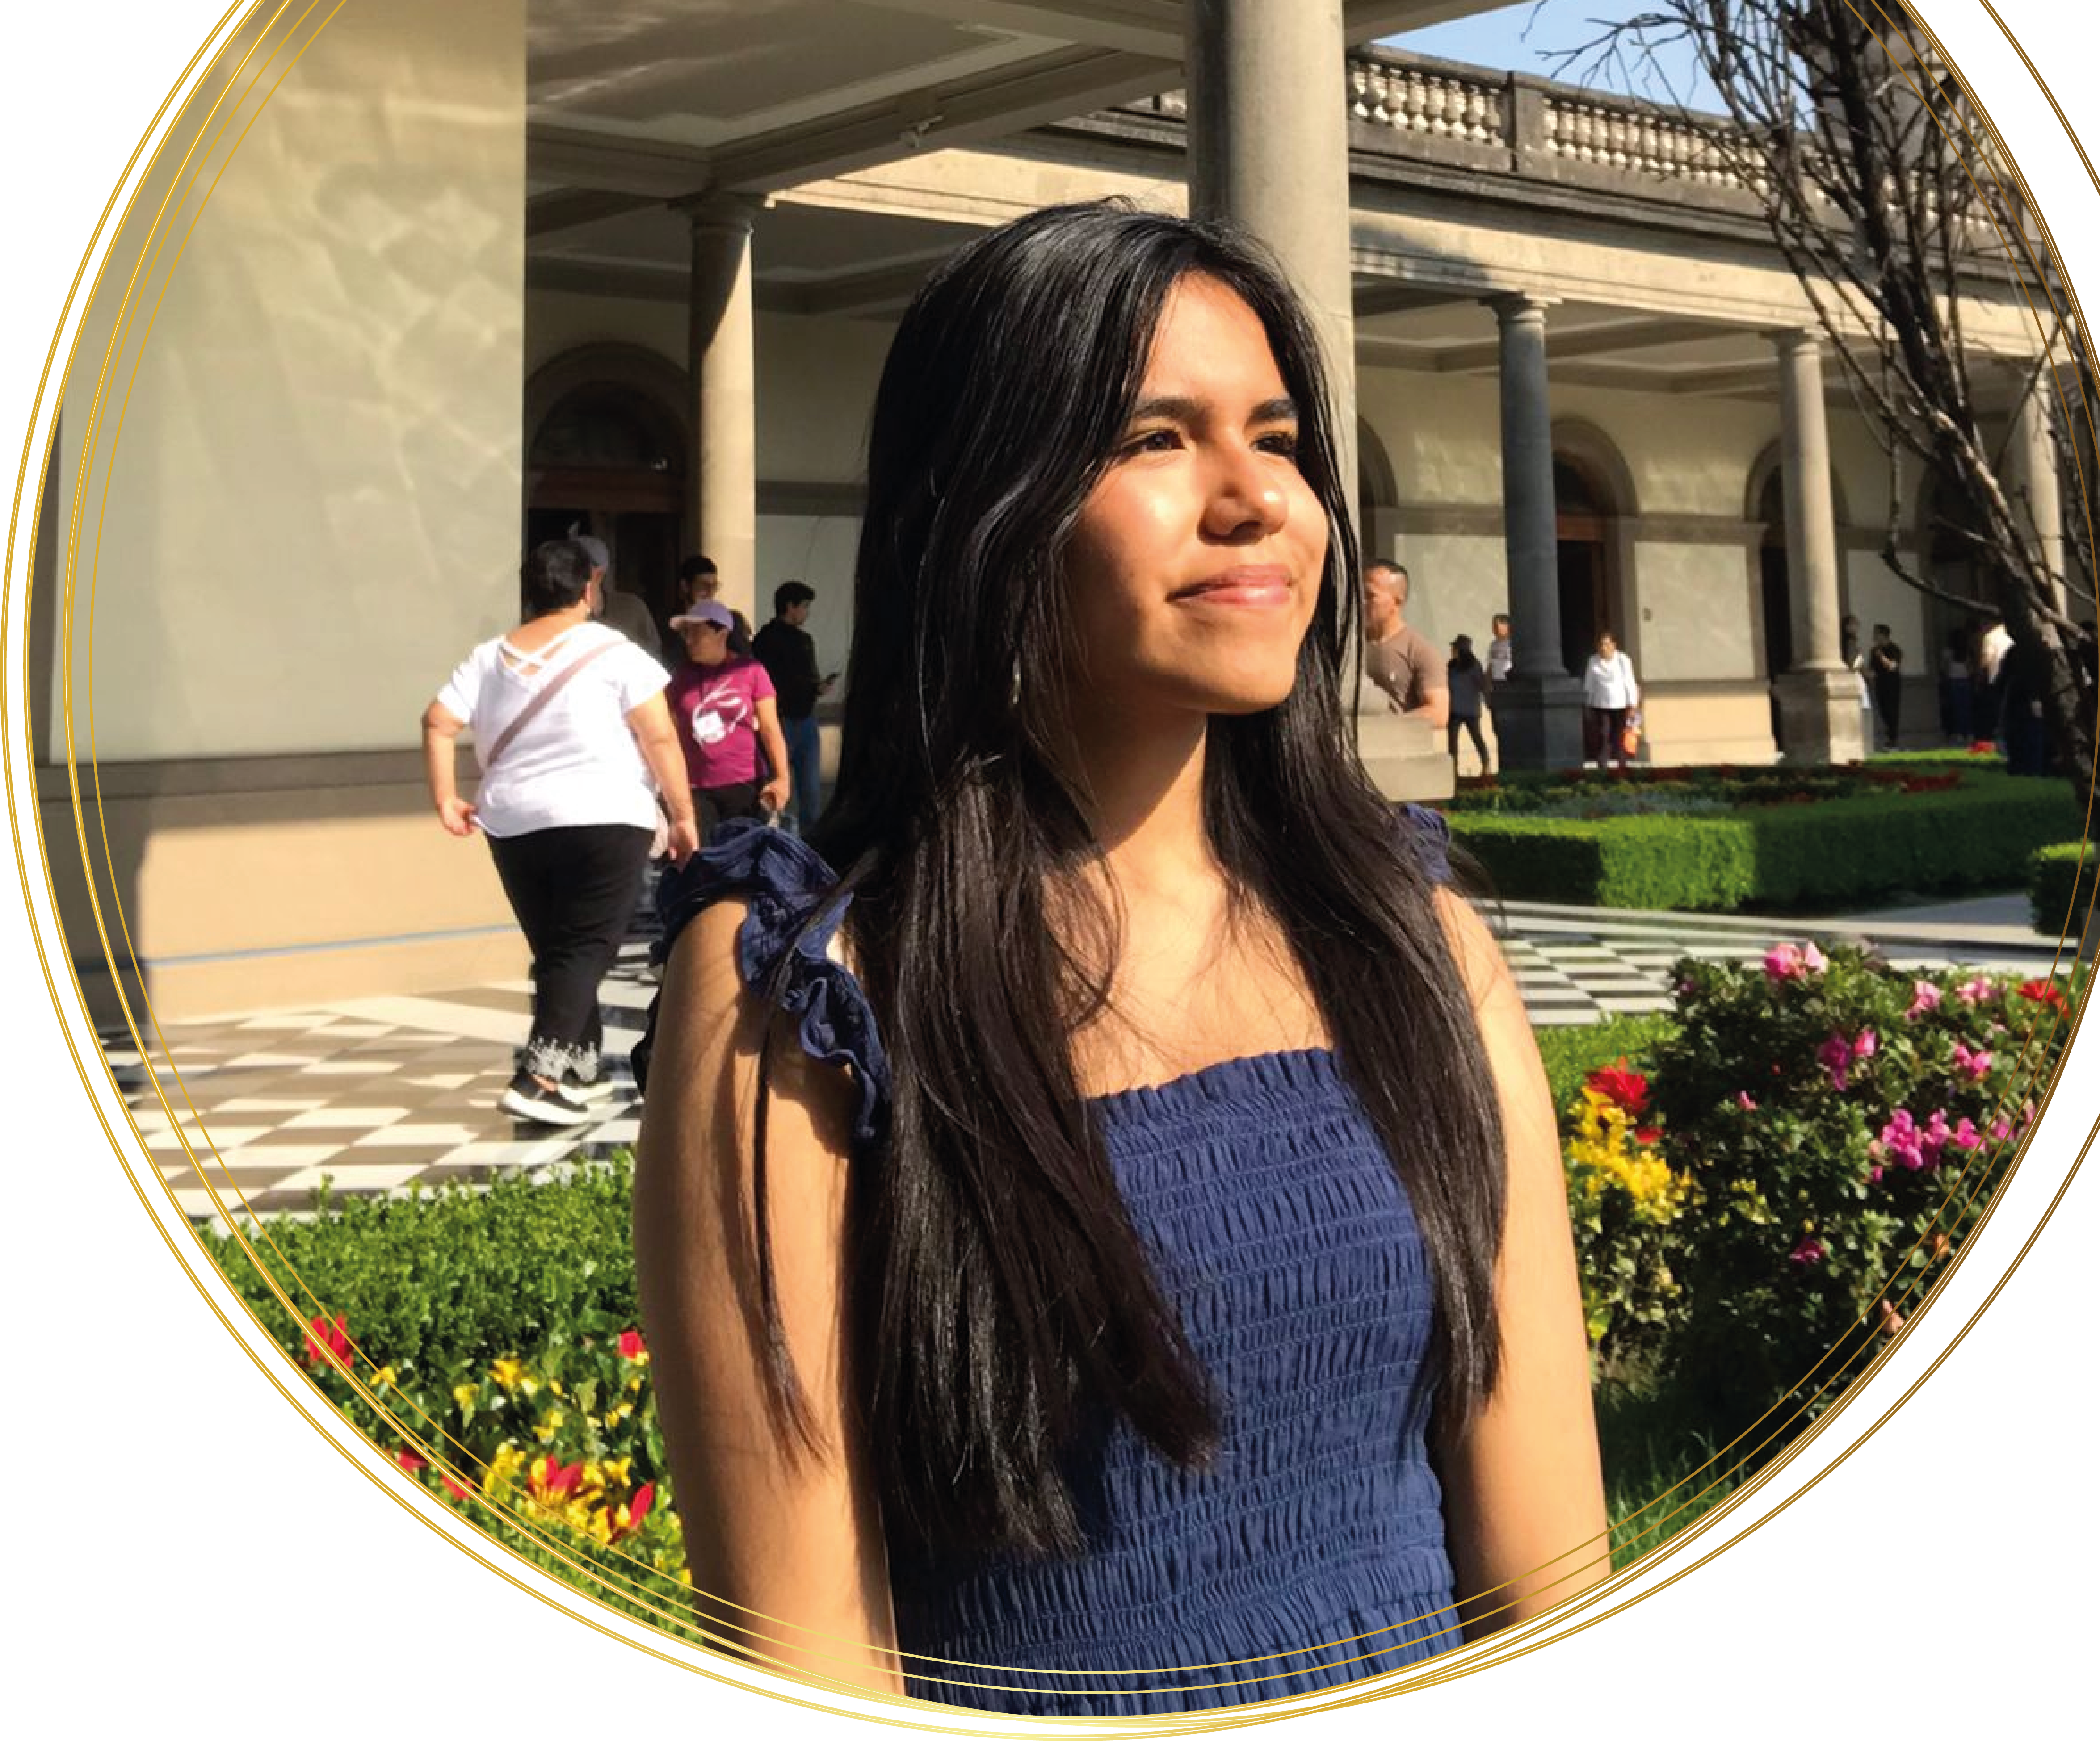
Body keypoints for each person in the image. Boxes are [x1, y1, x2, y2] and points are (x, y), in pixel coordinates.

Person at [631, 202, 1605, 1712]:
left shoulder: (1419, 948)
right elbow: (813, 1668)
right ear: (985, 505)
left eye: (1277, 439)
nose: (1256, 498)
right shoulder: (807, 999)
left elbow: (1550, 1580)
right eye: (1155, 438)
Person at [422, 537, 697, 1125]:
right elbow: (658, 736)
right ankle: (539, 1078)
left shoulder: (489, 657)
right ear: (589, 588)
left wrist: (446, 797)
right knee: (584, 947)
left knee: (557, 948)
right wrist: (682, 815)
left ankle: (579, 1066)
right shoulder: (615, 652)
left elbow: (438, 721)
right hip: (605, 814)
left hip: (513, 822)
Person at [668, 598, 792, 841]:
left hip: (744, 784)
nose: (690, 641)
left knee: (744, 853)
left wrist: (782, 779)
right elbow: (668, 733)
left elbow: (770, 730)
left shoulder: (752, 671)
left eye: (698, 633)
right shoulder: (681, 678)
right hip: (696, 787)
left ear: (722, 634)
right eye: (686, 634)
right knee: (704, 857)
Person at [751, 579, 838, 834]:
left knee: (800, 790)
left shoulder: (776, 639)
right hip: (782, 720)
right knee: (791, 789)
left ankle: (790, 839)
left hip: (798, 717)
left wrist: (817, 688)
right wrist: (815, 688)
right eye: (804, 607)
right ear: (791, 607)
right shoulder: (777, 640)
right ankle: (792, 839)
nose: (806, 613)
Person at [1360, 558, 1449, 724]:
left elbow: (1438, 712)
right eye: (1359, 594)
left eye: (1370, 596)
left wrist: (1387, 726)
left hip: (1393, 740)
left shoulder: (1420, 652)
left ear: (1397, 602)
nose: (1361, 602)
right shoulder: (1350, 648)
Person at [574, 533, 659, 653]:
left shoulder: (632, 608)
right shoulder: (557, 614)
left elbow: (655, 653)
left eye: (575, 568)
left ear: (598, 574)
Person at [1581, 628, 1639, 771]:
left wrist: (1633, 704)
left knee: (1619, 735)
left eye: (1607, 644)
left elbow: (1629, 682)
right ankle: (1602, 765)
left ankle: (1622, 766)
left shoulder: (1623, 660)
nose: (1604, 648)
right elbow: (1589, 684)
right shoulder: (1593, 661)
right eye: (1601, 645)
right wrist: (1587, 703)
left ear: (1614, 645)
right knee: (1604, 734)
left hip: (1620, 704)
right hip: (1600, 705)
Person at [664, 555, 721, 669]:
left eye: (714, 586)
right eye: (704, 585)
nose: (711, 592)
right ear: (685, 586)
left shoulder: (726, 625)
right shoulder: (669, 631)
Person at [1446, 633, 1490, 779]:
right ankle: (1453, 770)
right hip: (1455, 709)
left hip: (1470, 709)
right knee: (1452, 742)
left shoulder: (1474, 665)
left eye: (1455, 647)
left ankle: (1486, 766)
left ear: (1461, 649)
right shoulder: (1451, 665)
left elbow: (1482, 685)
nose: (1452, 650)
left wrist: (1488, 699)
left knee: (1476, 737)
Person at [1868, 624, 1905, 750]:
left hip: (1892, 684)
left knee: (1892, 711)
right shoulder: (1874, 651)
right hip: (1880, 684)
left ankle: (1893, 740)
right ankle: (1890, 737)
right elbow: (1872, 670)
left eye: (1876, 634)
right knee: (1883, 710)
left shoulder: (1895, 650)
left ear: (1883, 635)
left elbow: (1892, 667)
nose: (1874, 636)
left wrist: (1881, 657)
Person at [1486, 611, 1512, 687]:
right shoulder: (1493, 644)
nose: (1494, 629)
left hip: (1510, 683)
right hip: (1496, 683)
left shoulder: (1515, 643)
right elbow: (1490, 665)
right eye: (1493, 626)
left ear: (1507, 626)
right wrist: (1488, 683)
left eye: (1496, 626)